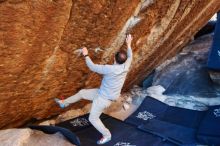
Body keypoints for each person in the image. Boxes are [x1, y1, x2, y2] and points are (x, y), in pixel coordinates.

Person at [55, 34, 133, 145]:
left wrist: (86, 54)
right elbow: (130, 56)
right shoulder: (126, 66)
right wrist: (128, 44)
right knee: (82, 93)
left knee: (93, 119)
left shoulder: (109, 69)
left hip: (103, 99)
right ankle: (64, 103)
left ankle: (107, 135)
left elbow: (92, 67)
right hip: (102, 93)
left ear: (114, 59)